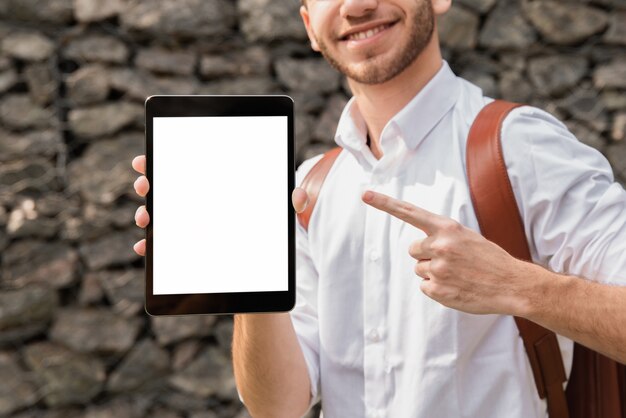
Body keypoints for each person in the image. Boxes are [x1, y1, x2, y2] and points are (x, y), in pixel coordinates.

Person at [131, 0, 626, 417]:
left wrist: (515, 285)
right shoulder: (309, 189)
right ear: (309, 26)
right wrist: (249, 275)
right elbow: (279, 405)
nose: (357, 6)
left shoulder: (519, 146)